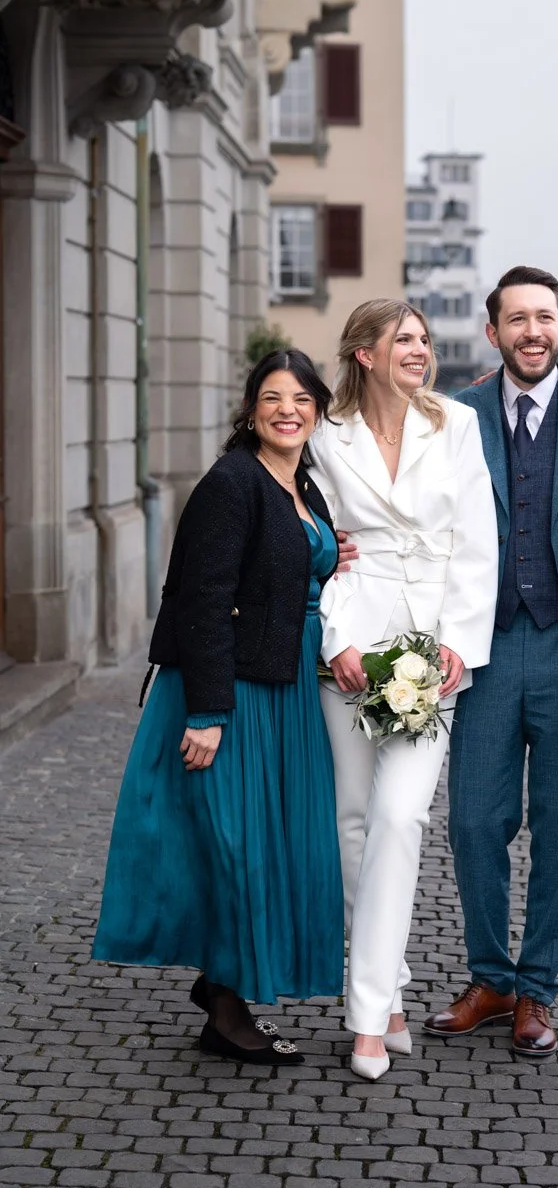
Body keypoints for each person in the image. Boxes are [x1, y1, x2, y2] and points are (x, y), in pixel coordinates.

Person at [93, 350, 345, 1065]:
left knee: (266, 842)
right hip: (229, 692)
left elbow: (291, 566)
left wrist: (330, 556)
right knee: (234, 846)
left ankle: (226, 988)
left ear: (318, 408)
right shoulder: (231, 483)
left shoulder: (302, 483)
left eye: (300, 397)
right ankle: (227, 1007)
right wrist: (207, 713)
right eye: (271, 397)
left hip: (284, 683)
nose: (286, 409)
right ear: (250, 408)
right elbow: (203, 598)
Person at [425, 266, 558, 1058]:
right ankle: (490, 977)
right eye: (517, 320)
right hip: (481, 649)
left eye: (545, 317)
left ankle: (537, 991)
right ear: (493, 333)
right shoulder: (454, 416)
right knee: (475, 822)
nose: (532, 331)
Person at [309, 299, 498, 1081]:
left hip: (428, 651)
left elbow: (477, 542)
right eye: (405, 340)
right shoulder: (325, 436)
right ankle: (385, 995)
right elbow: (315, 545)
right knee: (354, 825)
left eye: (423, 339)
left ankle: (364, 1021)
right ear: (364, 354)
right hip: (352, 644)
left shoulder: (454, 426)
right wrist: (335, 638)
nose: (421, 350)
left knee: (398, 816)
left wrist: (457, 642)